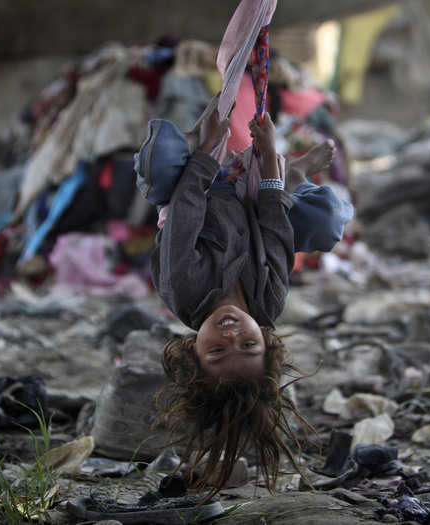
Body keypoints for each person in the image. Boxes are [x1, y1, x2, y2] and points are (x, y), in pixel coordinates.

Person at [134, 100, 352, 497]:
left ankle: (200, 133)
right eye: (248, 345)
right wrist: (269, 154)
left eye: (217, 352)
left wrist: (207, 151)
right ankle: (297, 172)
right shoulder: (268, 303)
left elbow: (185, 211)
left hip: (193, 191)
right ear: (266, 338)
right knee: (328, 223)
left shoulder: (184, 290)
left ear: (191, 347)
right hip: (252, 200)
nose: (232, 335)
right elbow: (274, 227)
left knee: (159, 154)